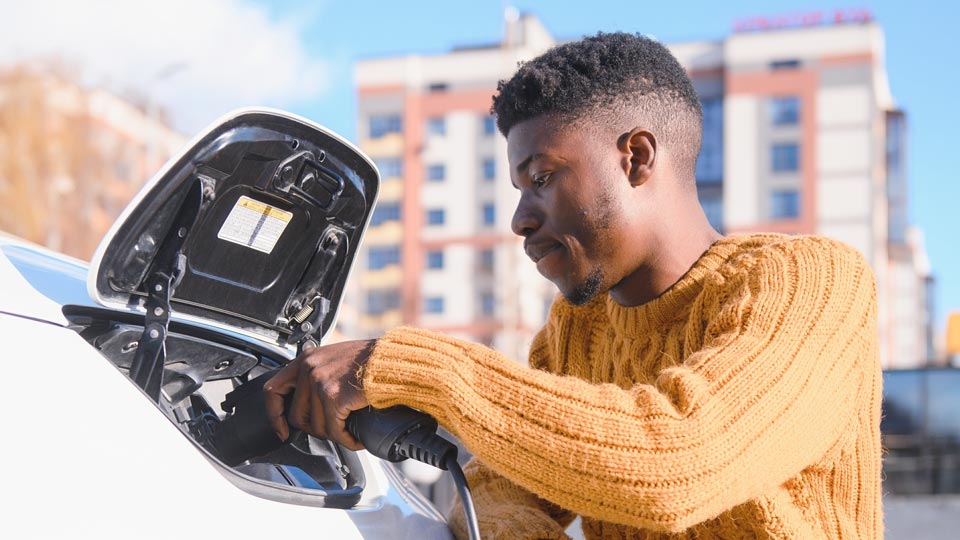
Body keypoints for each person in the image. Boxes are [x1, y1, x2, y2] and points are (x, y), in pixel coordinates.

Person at [264, 32, 883, 539]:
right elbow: (489, 492)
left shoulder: (812, 283)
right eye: (518, 188)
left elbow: (677, 460)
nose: (520, 219)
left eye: (542, 176)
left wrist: (411, 366)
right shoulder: (575, 332)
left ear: (637, 158)